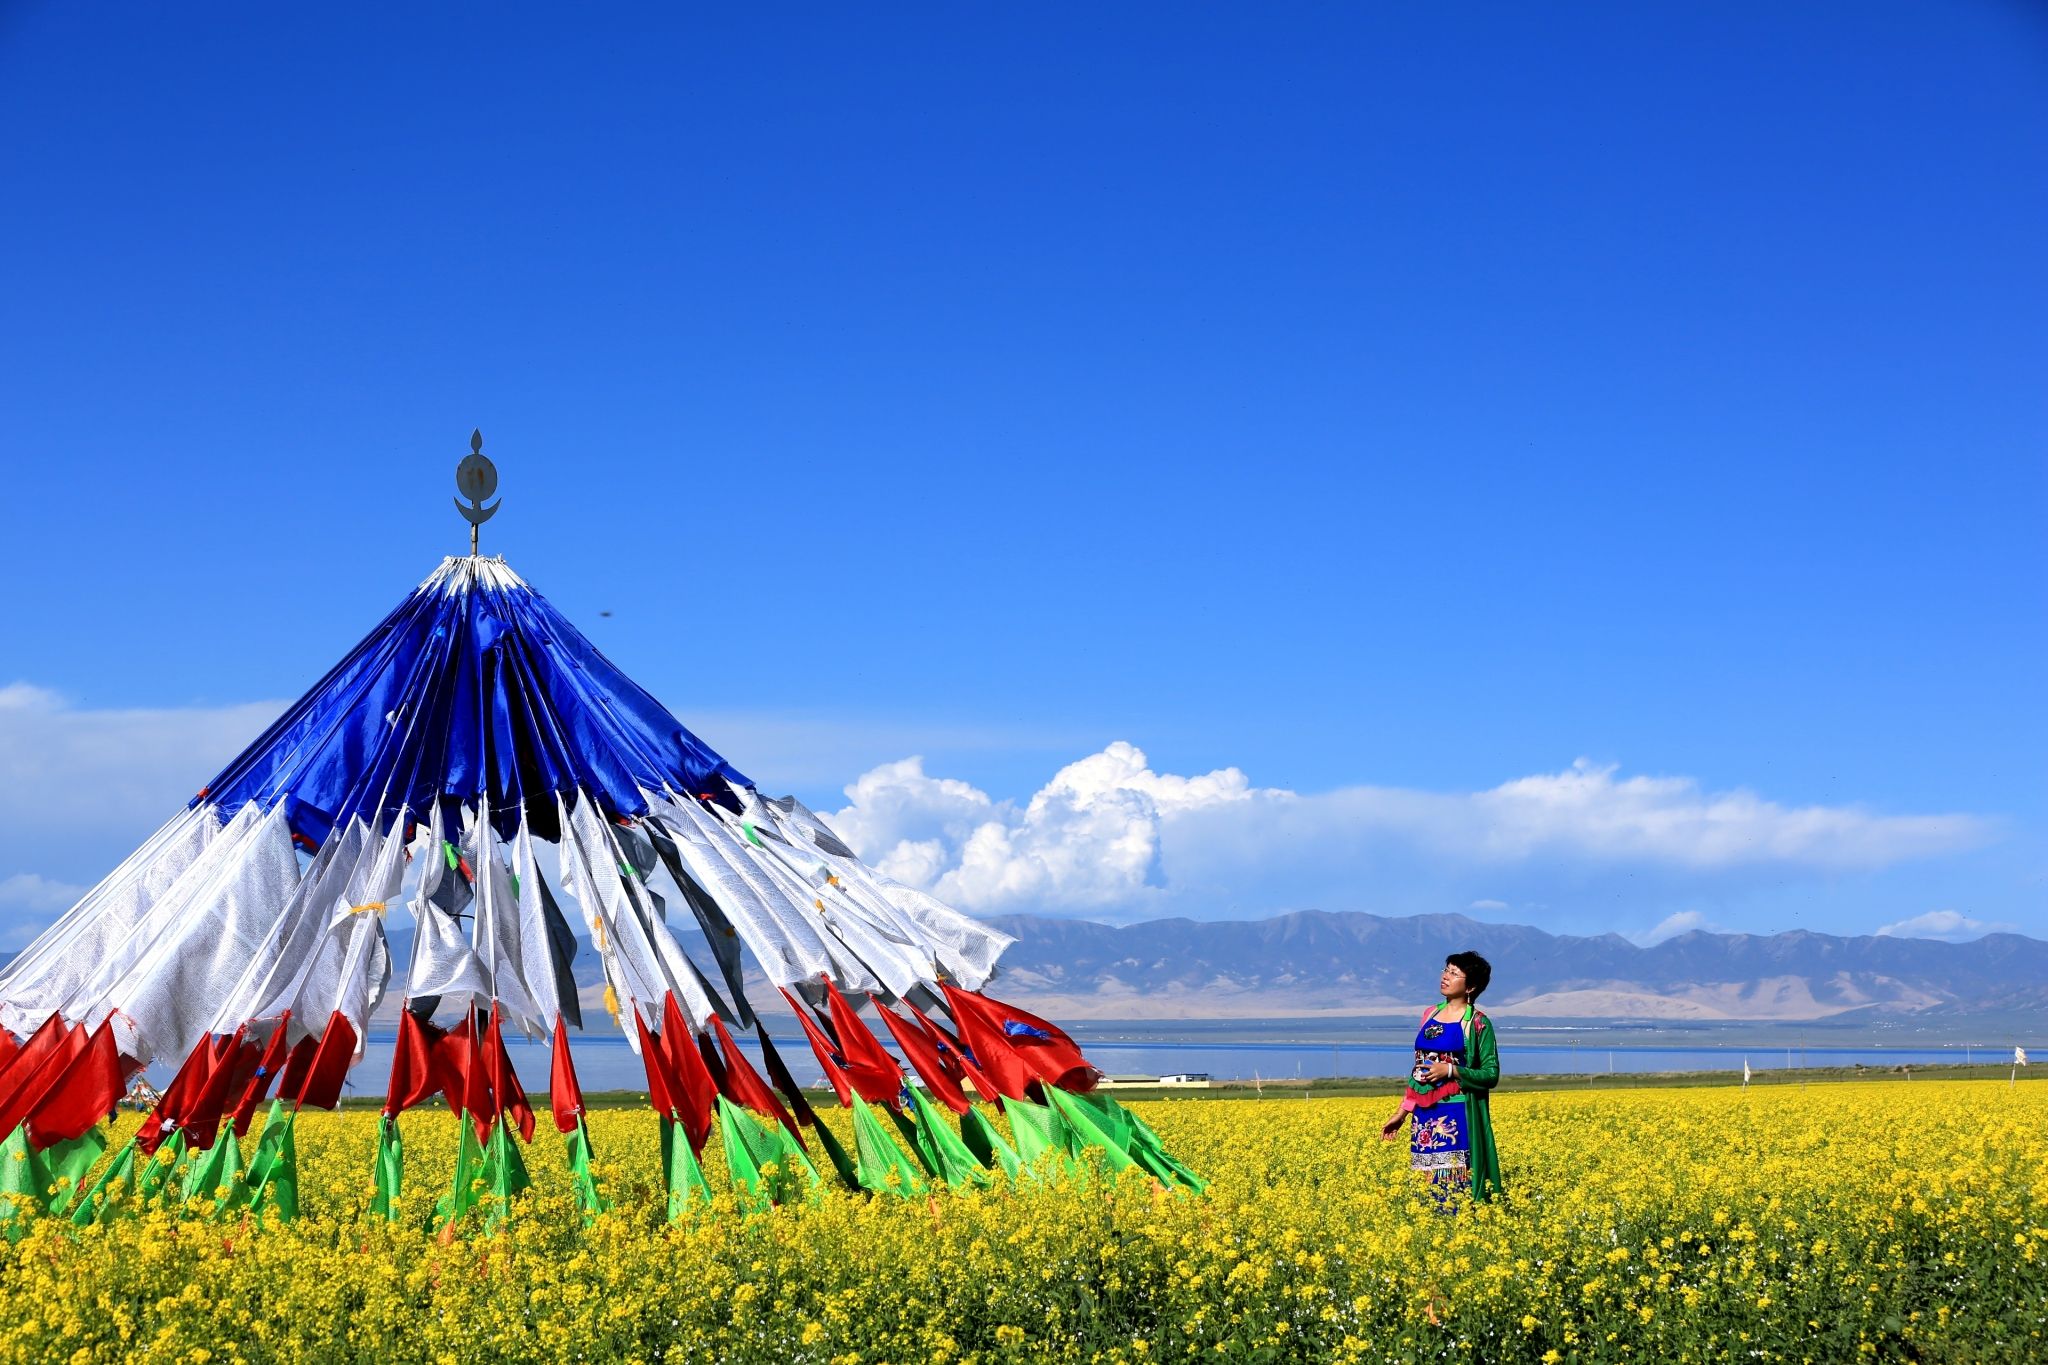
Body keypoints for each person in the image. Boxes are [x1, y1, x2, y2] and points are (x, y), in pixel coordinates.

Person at [1379, 951, 1503, 1202]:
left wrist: (1451, 1070)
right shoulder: (1429, 1015)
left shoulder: (1478, 1023)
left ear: (1471, 986)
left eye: (1454, 973)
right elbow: (1418, 1069)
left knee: (1456, 1185)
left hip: (1457, 1114)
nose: (1445, 976)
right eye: (1446, 970)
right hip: (1424, 1115)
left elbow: (1491, 1074)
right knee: (1427, 1188)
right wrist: (1402, 1112)